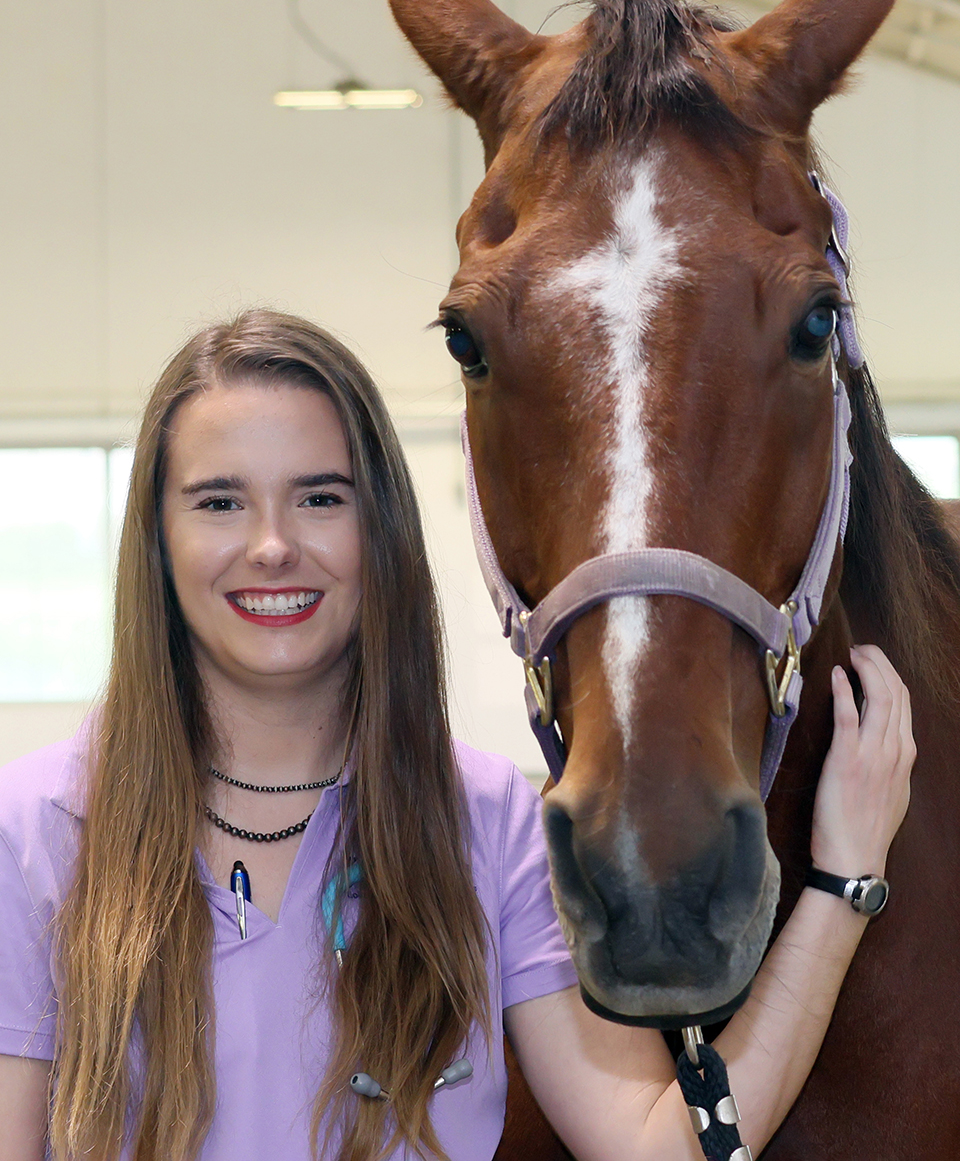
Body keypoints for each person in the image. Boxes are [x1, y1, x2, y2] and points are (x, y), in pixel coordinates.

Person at [0, 309, 914, 1161]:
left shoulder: (489, 823)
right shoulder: (34, 830)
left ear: (382, 530)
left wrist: (841, 886)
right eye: (219, 503)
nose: (273, 545)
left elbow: (659, 1145)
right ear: (158, 540)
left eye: (321, 499)